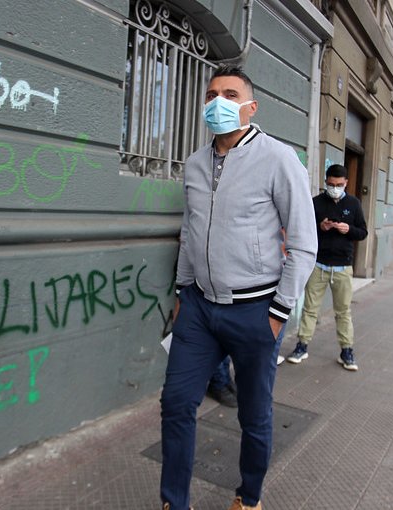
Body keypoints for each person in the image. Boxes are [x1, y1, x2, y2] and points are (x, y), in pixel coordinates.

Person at [161, 65, 317, 510]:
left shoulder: (278, 158)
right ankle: (174, 501)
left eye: (230, 94)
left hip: (255, 311)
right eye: (212, 94)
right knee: (175, 403)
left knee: (254, 416)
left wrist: (279, 313)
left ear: (251, 106)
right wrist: (180, 293)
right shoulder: (194, 164)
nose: (218, 102)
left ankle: (248, 498)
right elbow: (190, 235)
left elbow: (305, 243)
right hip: (197, 310)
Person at [285, 164, 367, 371]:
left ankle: (346, 350)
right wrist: (320, 227)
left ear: (346, 183)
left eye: (339, 185)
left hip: (343, 266)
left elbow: (363, 232)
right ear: (326, 182)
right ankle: (302, 346)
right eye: (331, 184)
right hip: (319, 264)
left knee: (343, 311)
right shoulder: (316, 203)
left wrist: (348, 229)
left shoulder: (354, 204)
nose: (334, 188)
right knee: (310, 309)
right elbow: (303, 229)